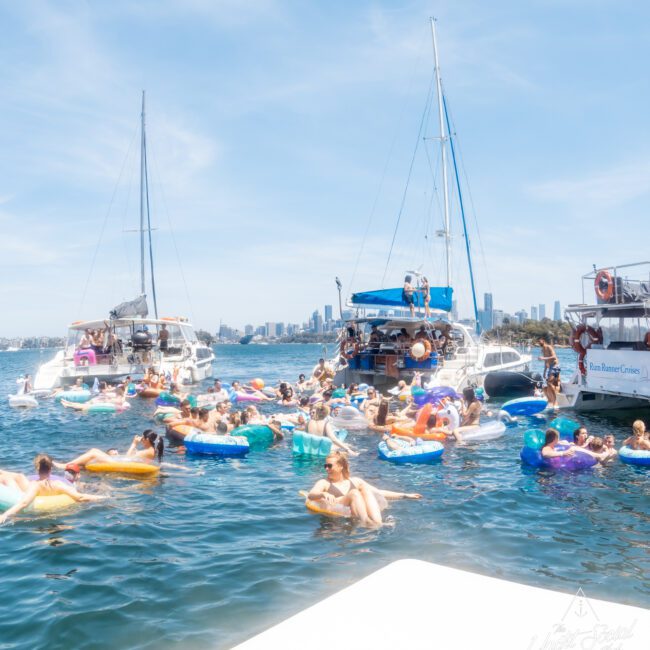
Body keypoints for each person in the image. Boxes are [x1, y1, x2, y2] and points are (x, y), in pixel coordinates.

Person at [306, 451, 421, 526]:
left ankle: (378, 523)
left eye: (329, 466)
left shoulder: (355, 481)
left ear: (340, 467)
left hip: (355, 509)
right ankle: (366, 522)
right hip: (339, 507)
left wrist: (405, 495)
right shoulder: (324, 483)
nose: (326, 469)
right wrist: (322, 494)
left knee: (365, 489)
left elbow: (378, 492)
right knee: (354, 493)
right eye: (325, 466)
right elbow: (311, 494)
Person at [0, 455, 105, 525]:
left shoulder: (35, 485)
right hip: (57, 514)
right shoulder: (58, 484)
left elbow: (24, 503)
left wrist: (5, 515)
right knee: (19, 476)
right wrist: (102, 497)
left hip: (36, 510)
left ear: (37, 469)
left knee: (9, 479)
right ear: (51, 469)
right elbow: (80, 497)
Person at [54, 430, 165, 469]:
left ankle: (66, 465)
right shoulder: (151, 450)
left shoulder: (148, 451)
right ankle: (72, 465)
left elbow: (128, 458)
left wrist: (133, 444)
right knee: (94, 452)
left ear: (146, 439)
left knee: (94, 451)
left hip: (122, 464)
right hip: (122, 462)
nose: (140, 439)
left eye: (142, 437)